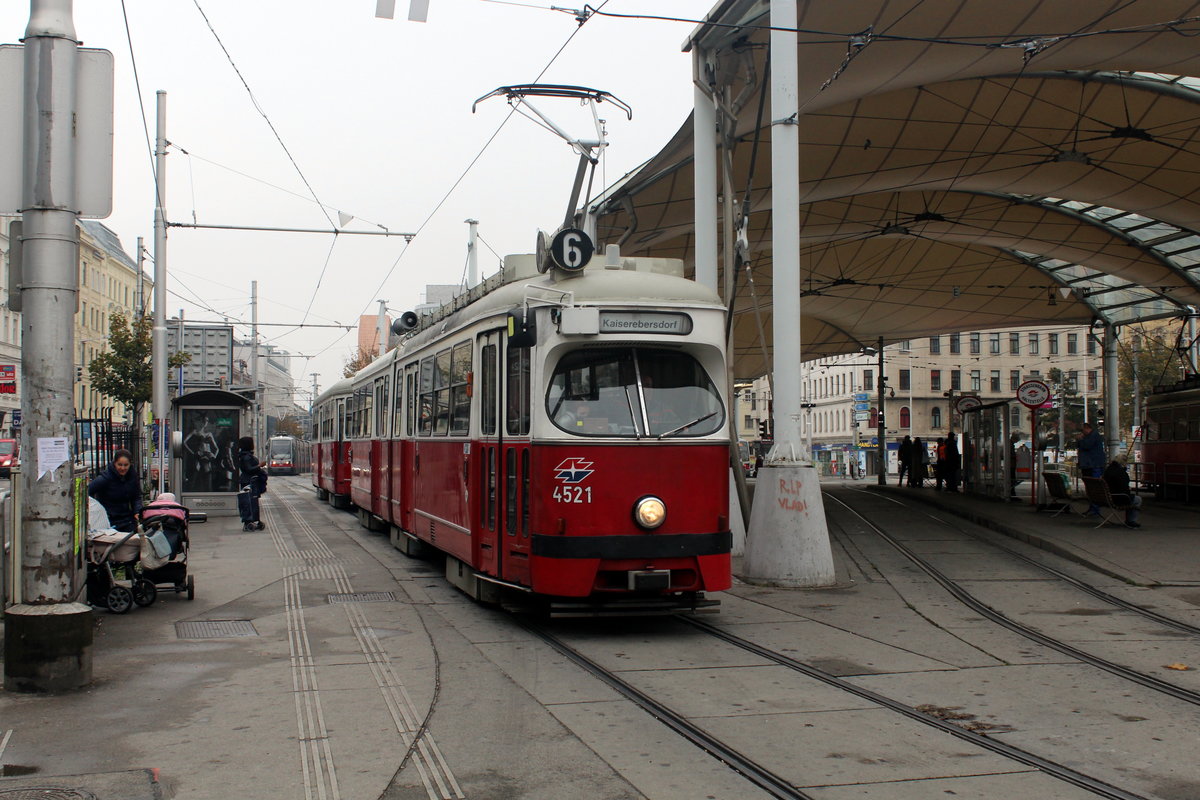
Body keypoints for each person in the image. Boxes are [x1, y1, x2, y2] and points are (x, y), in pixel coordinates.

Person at [88, 449, 144, 533]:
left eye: (126, 465)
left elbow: (136, 497)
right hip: (108, 522)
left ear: (130, 465)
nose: (123, 468)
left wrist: (137, 511)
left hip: (127, 521)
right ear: (114, 463)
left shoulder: (132, 477)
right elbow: (88, 492)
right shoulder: (105, 478)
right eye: (120, 465)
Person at [237, 436, 267, 532]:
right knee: (248, 502)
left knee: (253, 502)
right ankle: (248, 521)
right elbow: (249, 469)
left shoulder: (246, 455)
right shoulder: (246, 457)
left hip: (251, 481)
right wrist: (260, 465)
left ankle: (254, 519)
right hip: (248, 482)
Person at [1076, 422, 1106, 516]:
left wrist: (1080, 439)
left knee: (1093, 487)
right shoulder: (1091, 436)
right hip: (1089, 465)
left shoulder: (1093, 436)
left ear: (1087, 428)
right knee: (1090, 488)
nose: (1082, 432)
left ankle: (1095, 508)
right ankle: (1093, 507)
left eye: (1083, 430)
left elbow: (1086, 446)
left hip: (1092, 465)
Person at [1102, 458, 1142, 528]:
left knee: (1132, 498)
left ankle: (1130, 520)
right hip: (1116, 498)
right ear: (1124, 463)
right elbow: (1124, 489)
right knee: (1137, 499)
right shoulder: (1121, 473)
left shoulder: (1108, 470)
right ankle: (1131, 520)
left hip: (1106, 497)